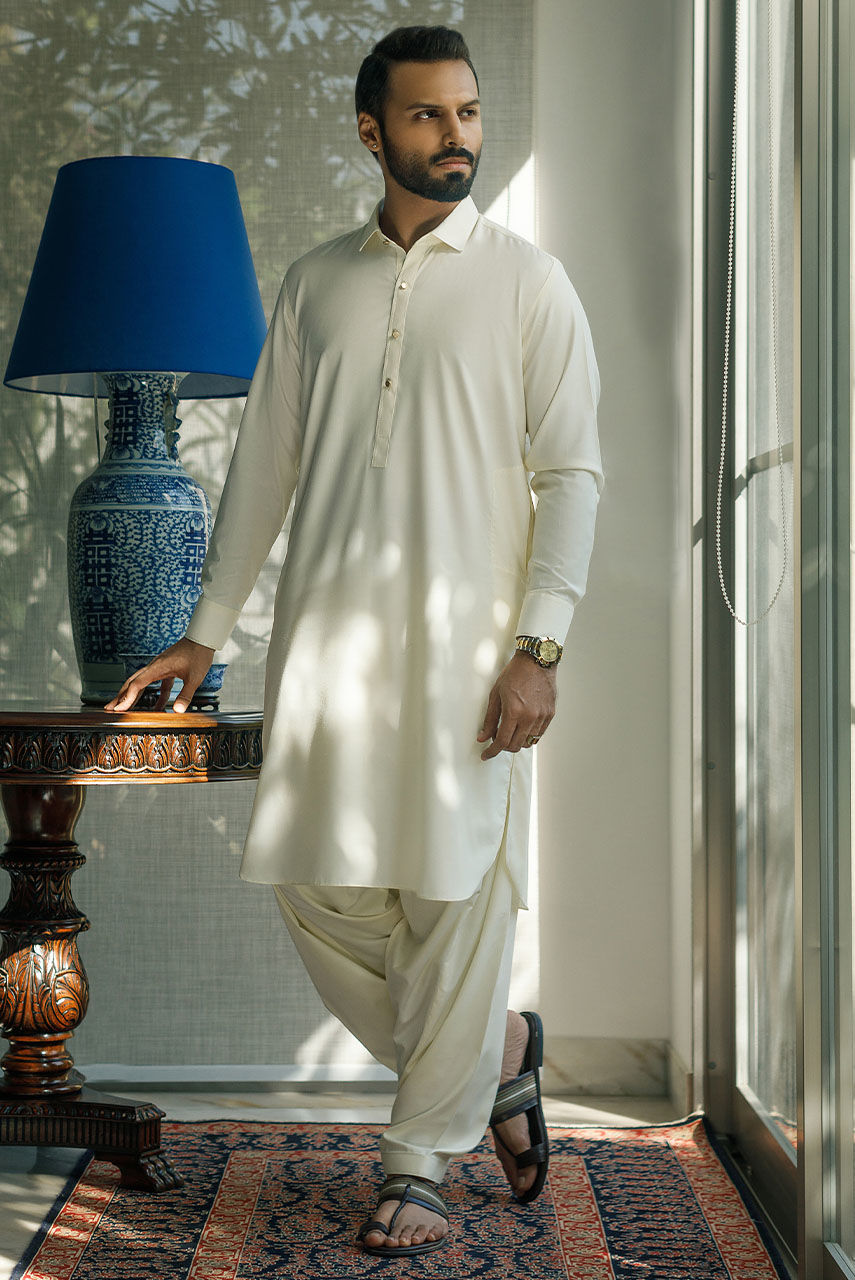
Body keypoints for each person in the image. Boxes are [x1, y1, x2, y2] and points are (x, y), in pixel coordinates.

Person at [107, 24, 602, 1258]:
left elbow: (573, 475)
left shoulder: (530, 282)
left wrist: (540, 646)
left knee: (453, 895)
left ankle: (414, 1161)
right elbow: (263, 471)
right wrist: (202, 632)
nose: (458, 135)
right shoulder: (316, 283)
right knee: (314, 879)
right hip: (327, 647)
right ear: (372, 131)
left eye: (468, 111)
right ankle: (499, 1048)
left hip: (471, 655)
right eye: (429, 115)